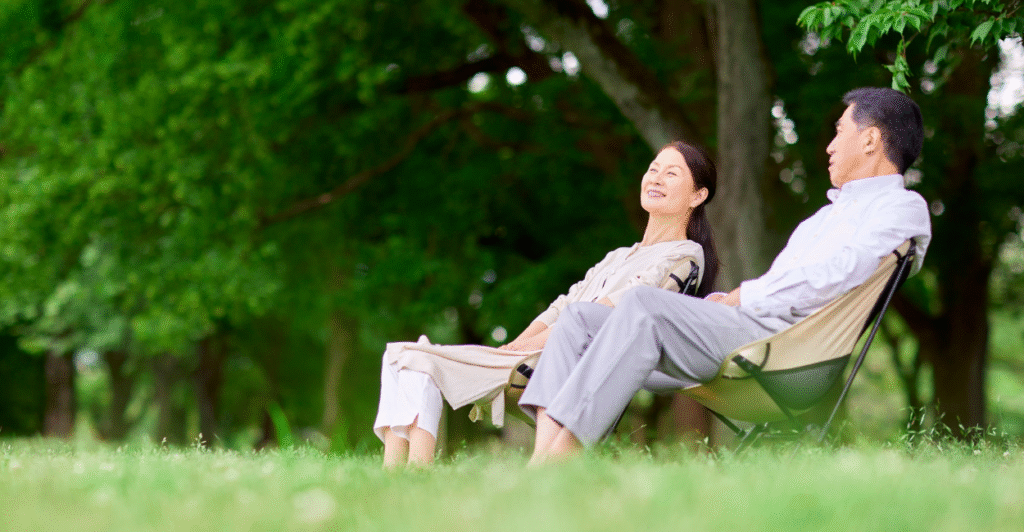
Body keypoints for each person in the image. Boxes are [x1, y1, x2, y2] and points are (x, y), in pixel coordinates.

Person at [520, 87, 933, 465]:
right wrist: (735, 301)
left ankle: (562, 460)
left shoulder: (901, 207)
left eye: (839, 131)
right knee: (578, 319)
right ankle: (545, 459)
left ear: (870, 140)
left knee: (644, 303)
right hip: (749, 329)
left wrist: (741, 297)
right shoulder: (828, 217)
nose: (828, 145)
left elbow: (837, 274)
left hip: (782, 349)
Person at [374, 141, 720, 467]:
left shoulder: (685, 255)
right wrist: (514, 345)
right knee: (400, 355)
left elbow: (605, 312)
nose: (656, 178)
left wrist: (518, 351)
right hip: (538, 351)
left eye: (671, 173)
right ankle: (397, 473)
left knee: (415, 359)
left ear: (697, 195)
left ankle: (415, 473)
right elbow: (562, 305)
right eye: (653, 168)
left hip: (575, 363)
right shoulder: (619, 256)